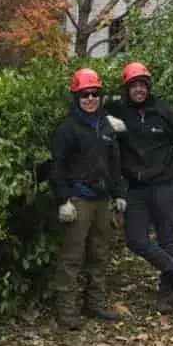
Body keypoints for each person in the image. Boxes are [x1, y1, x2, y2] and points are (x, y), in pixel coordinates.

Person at [105, 62, 173, 314]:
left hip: (164, 185)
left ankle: (168, 296)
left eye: (142, 85)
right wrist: (109, 122)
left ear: (148, 87)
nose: (138, 90)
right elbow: (86, 111)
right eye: (133, 86)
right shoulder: (117, 111)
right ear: (126, 89)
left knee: (167, 239)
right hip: (135, 187)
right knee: (135, 240)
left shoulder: (164, 112)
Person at [49, 68, 128, 330]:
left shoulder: (106, 125)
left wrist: (119, 195)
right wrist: (64, 200)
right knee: (72, 257)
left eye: (95, 94)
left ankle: (94, 304)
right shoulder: (67, 128)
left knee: (99, 253)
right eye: (85, 95)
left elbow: (115, 163)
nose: (91, 99)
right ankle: (67, 312)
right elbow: (57, 166)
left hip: (103, 200)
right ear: (77, 97)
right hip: (79, 200)